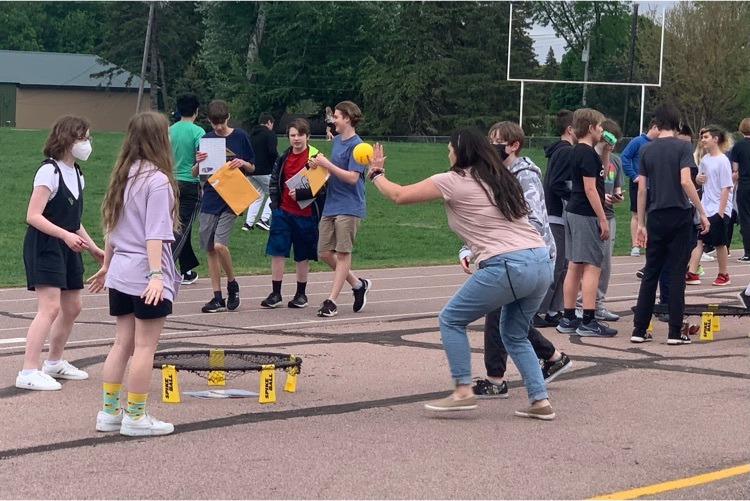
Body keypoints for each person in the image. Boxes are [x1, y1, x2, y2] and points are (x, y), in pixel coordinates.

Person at [368, 127, 556, 419]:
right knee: (514, 333)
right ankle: (539, 400)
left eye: (449, 148)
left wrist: (376, 174)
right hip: (542, 261)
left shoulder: (453, 180)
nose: (447, 152)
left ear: (461, 151)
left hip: (508, 264)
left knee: (451, 318)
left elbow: (399, 195)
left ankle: (462, 391)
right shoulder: (501, 179)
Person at [87, 111, 180, 436]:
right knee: (144, 347)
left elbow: (112, 229)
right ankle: (136, 417)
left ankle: (110, 412)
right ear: (159, 140)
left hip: (122, 271)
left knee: (121, 344)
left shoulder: (122, 177)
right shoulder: (156, 181)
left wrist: (108, 265)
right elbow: (154, 233)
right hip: (144, 272)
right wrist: (156, 274)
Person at [468, 121, 572, 399]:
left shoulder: (525, 176)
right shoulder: (492, 176)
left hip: (529, 257)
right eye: (489, 140)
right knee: (510, 318)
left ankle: (496, 379)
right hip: (509, 256)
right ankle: (552, 357)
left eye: (497, 141)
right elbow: (482, 217)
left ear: (513, 145)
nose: (491, 146)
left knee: (499, 312)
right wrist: (468, 249)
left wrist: (508, 244)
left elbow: (534, 219)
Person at [17, 116, 104, 391]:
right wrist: (65, 236)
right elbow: (33, 215)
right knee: (50, 307)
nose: (87, 144)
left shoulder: (77, 174)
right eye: (83, 138)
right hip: (46, 244)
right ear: (68, 140)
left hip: (68, 245)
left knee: (73, 306)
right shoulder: (49, 172)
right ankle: (28, 370)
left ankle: (54, 362)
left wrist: (92, 247)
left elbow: (73, 220)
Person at [630, 104, 709, 345]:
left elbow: (642, 188)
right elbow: (686, 181)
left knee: (651, 271)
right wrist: (702, 211)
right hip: (679, 214)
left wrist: (641, 222)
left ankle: (639, 329)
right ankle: (675, 331)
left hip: (655, 215)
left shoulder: (646, 150)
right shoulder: (682, 147)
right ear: (676, 124)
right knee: (676, 273)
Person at [557, 108, 617, 338]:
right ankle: (589, 319)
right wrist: (603, 218)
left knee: (574, 264)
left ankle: (569, 316)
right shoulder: (587, 154)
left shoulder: (578, 151)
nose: (602, 130)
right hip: (585, 213)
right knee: (593, 265)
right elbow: (592, 189)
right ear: (591, 128)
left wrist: (605, 152)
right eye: (600, 127)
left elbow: (599, 176)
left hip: (572, 211)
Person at [308, 101, 371, 318]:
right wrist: (317, 166)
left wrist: (328, 165)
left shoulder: (359, 146)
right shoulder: (336, 141)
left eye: (336, 116)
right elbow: (332, 172)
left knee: (343, 253)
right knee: (324, 252)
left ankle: (331, 301)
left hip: (350, 205)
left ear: (347, 118)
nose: (332, 120)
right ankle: (357, 284)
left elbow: (353, 178)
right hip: (332, 203)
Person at [195, 100, 255, 313]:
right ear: (209, 122)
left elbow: (253, 166)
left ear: (228, 118)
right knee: (210, 248)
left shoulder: (240, 137)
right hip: (211, 197)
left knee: (220, 245)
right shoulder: (206, 139)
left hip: (232, 197)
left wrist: (243, 164)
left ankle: (232, 283)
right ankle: (217, 295)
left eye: (222, 122)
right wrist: (198, 161)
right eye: (215, 123)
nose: (219, 127)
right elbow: (196, 173)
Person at [260, 118, 325, 309]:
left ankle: (301, 294)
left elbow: (323, 187)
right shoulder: (283, 157)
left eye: (300, 135)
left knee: (302, 255)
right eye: (292, 135)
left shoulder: (316, 158)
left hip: (306, 214)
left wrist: (303, 194)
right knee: (277, 251)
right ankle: (276, 293)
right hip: (283, 212)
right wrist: (275, 205)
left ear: (308, 136)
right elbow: (274, 181)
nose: (296, 139)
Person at [575, 118, 624, 322]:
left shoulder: (615, 161)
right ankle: (581, 304)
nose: (611, 147)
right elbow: (589, 187)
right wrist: (599, 196)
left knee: (605, 263)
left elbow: (615, 186)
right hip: (590, 215)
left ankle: (598, 303)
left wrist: (617, 196)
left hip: (609, 214)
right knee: (586, 262)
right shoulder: (588, 156)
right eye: (608, 142)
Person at [533, 110, 574, 328]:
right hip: (556, 215)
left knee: (564, 265)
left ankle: (552, 310)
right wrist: (574, 197)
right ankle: (537, 311)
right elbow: (556, 183)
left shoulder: (562, 151)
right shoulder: (565, 152)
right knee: (557, 265)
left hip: (558, 214)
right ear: (570, 129)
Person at [169, 92, 207, 285]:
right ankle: (166, 266)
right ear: (196, 111)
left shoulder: (169, 130)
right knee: (182, 228)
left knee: (178, 225)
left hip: (170, 182)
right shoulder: (198, 132)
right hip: (190, 182)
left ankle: (187, 269)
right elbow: (201, 162)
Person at [695, 125, 734, 286]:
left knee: (719, 242)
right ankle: (692, 271)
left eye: (706, 137)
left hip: (719, 208)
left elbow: (726, 187)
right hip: (705, 206)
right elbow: (700, 178)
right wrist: (698, 179)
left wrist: (720, 212)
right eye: (702, 137)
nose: (703, 140)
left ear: (715, 139)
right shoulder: (705, 159)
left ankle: (723, 274)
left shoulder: (723, 161)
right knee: (698, 240)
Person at [621, 119, 660, 257]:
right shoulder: (637, 141)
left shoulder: (658, 144)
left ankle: (650, 243)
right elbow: (624, 157)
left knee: (653, 215)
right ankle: (635, 245)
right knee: (637, 214)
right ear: (654, 127)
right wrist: (633, 176)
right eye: (660, 130)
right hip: (638, 184)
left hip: (655, 185)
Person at [243, 112, 278, 232]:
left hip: (250, 171)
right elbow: (272, 152)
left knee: (258, 196)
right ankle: (264, 219)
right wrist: (277, 164)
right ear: (269, 122)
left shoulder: (250, 135)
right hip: (265, 170)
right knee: (275, 193)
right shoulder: (270, 134)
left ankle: (248, 223)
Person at [730, 117, 750, 262]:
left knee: (745, 218)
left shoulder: (738, 146)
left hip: (745, 184)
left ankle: (748, 252)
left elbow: (735, 169)